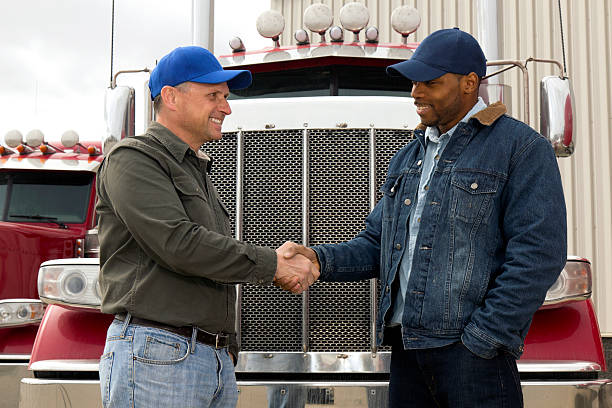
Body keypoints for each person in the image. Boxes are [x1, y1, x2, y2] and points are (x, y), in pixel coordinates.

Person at [277, 28, 566, 407]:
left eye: (430, 82)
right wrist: (319, 258)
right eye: (414, 82)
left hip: (473, 358)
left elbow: (538, 254)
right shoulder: (409, 157)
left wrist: (484, 338)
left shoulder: (521, 148)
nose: (416, 93)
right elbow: (378, 244)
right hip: (407, 352)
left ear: (469, 83)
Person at [96, 45, 318, 408]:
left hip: (208, 358)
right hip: (158, 354)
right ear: (170, 96)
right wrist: (275, 264)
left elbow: (207, 263)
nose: (226, 108)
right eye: (213, 95)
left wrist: (224, 349)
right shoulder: (133, 159)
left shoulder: (195, 170)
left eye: (226, 97)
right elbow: (178, 243)